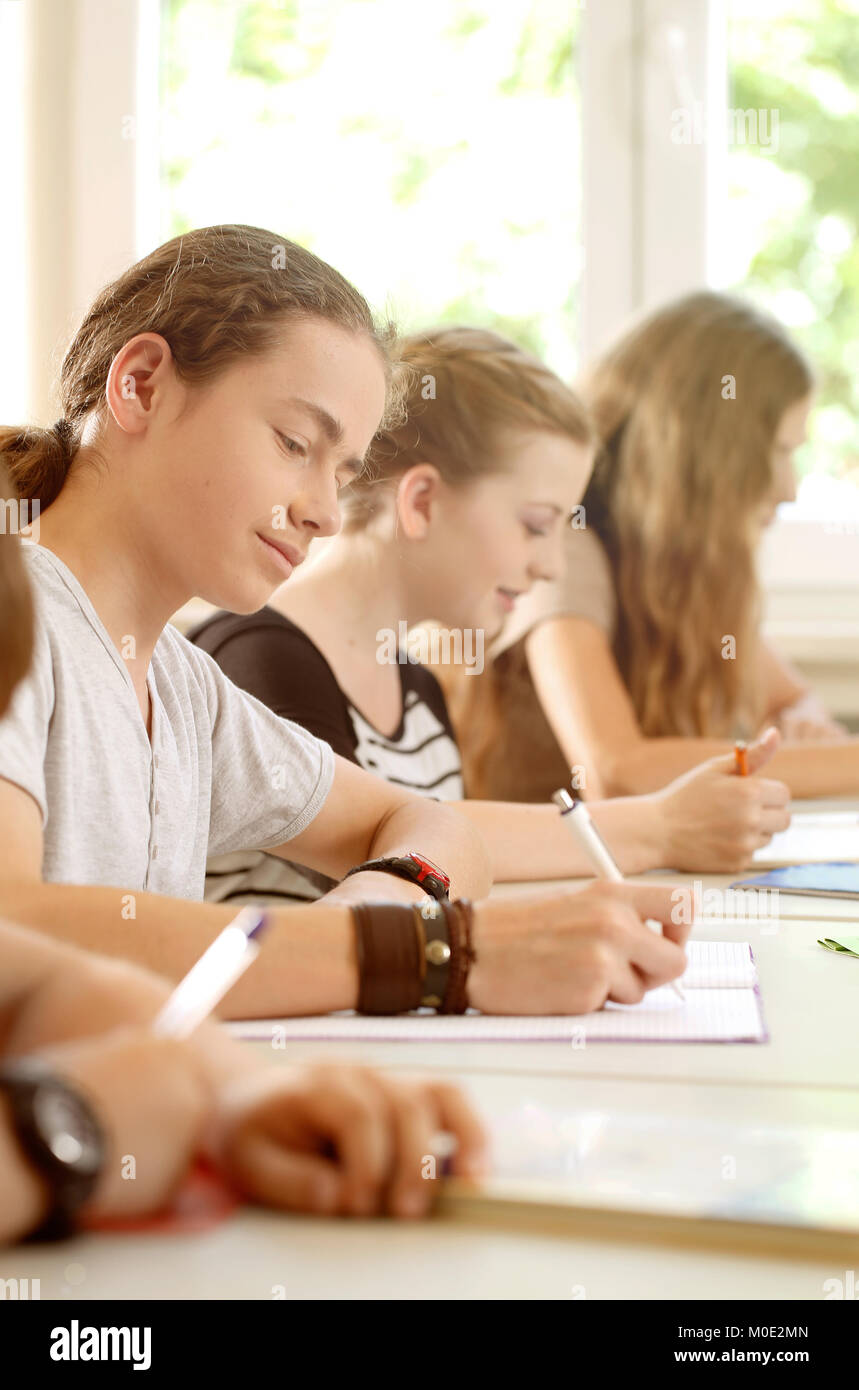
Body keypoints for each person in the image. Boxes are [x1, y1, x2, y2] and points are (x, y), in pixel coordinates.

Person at [0, 226, 688, 1019]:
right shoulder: (19, 619)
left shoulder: (187, 692)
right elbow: (13, 935)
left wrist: (359, 928)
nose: (325, 513)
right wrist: (426, 957)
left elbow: (428, 821)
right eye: (295, 442)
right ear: (143, 385)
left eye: (343, 472)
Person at [0, 460, 486, 1238]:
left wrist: (237, 1095)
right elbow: (22, 921)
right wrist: (65, 1130)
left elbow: (42, 977)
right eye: (295, 442)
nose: (325, 512)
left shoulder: (179, 677)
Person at [190, 325, 789, 902]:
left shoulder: (417, 687)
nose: (552, 566)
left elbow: (451, 883)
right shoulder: (259, 660)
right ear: (421, 502)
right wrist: (657, 825)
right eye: (535, 526)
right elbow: (385, 856)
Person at [464, 292, 859, 803]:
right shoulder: (566, 548)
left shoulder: (686, 573)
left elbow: (794, 697)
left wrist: (801, 722)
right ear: (700, 454)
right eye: (777, 452)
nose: (790, 489)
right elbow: (616, 771)